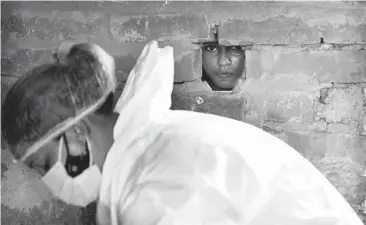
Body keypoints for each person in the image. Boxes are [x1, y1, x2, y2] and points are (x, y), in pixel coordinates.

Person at [1, 41, 363, 225]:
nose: (48, 181)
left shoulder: (159, 189)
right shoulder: (154, 149)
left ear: (76, 136)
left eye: (43, 164)